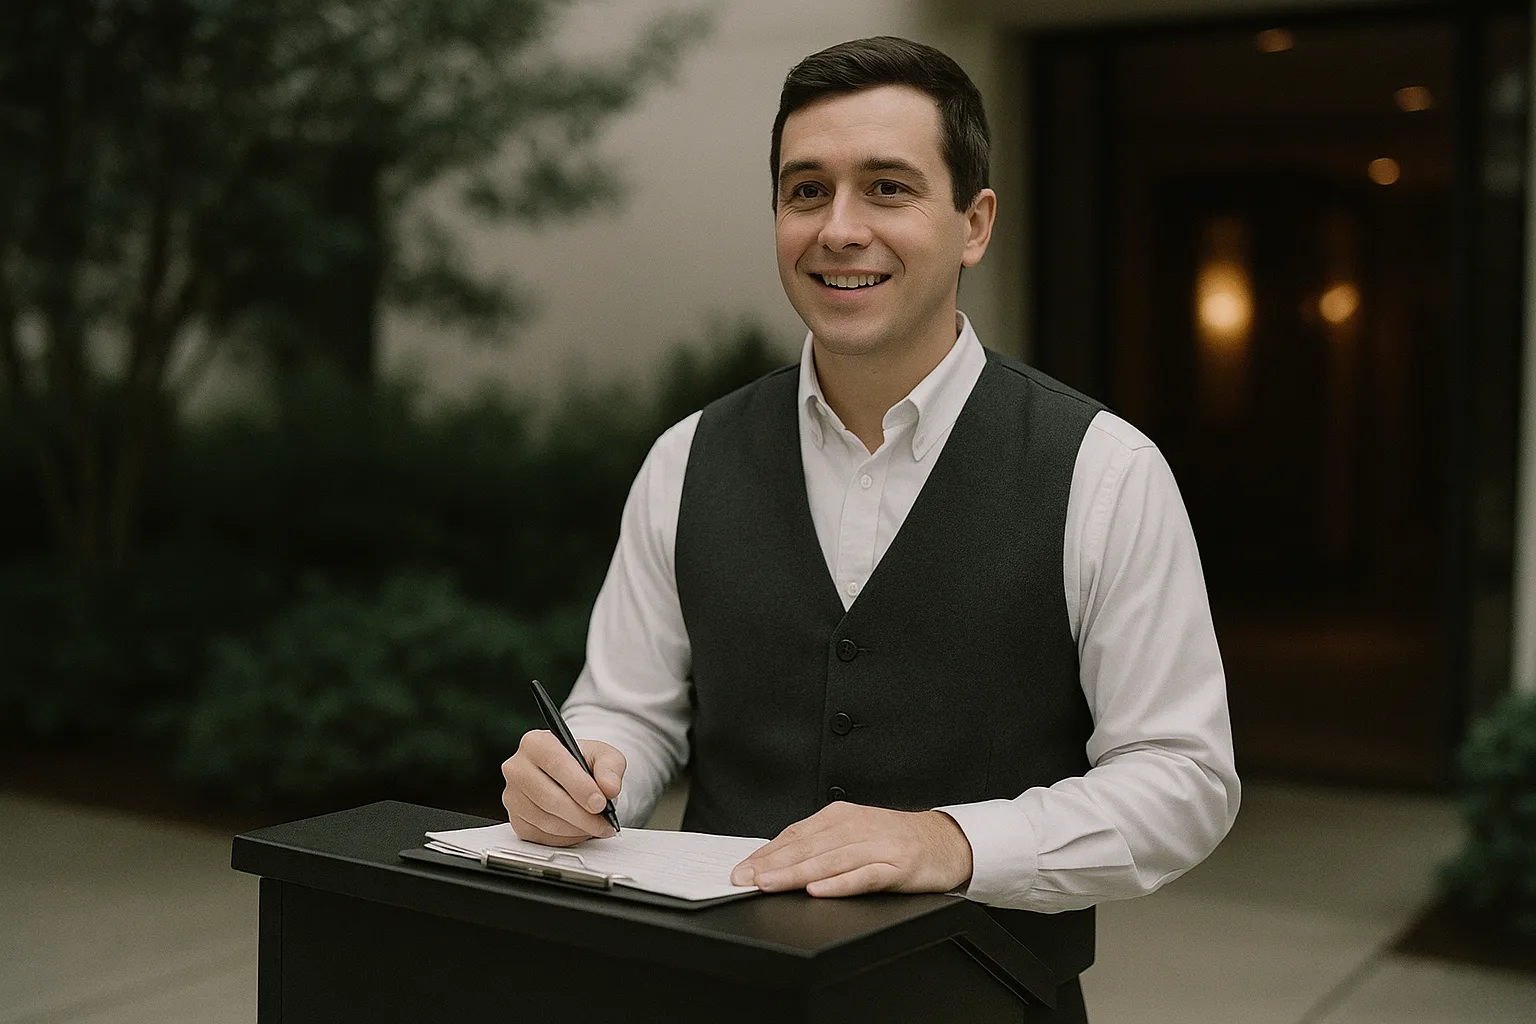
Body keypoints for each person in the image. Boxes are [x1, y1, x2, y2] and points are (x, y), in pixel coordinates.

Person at [500, 35, 1239, 1021]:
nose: (840, 228)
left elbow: (1184, 778)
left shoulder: (1105, 471)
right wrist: (581, 772)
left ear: (974, 224)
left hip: (986, 1001)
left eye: (887, 188)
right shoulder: (688, 457)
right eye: (807, 191)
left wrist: (955, 842)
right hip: (719, 994)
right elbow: (629, 709)